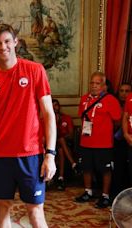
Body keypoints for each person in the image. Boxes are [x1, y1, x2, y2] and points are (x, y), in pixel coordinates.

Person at [0, 24, 57, 227]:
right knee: (2, 207)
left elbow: (48, 114)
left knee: (35, 211)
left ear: (15, 42)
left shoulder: (35, 70)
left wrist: (50, 155)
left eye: (7, 41)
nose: (3, 47)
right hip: (1, 155)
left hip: (31, 154)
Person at [75, 72, 121, 208]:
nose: (94, 86)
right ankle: (88, 192)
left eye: (97, 83)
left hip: (104, 143)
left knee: (105, 170)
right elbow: (81, 116)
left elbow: (118, 120)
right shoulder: (84, 99)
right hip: (86, 141)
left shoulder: (110, 100)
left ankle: (105, 196)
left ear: (104, 86)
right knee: (86, 168)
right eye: (92, 83)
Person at [52, 99, 78, 190]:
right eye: (52, 105)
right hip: (52, 144)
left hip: (66, 143)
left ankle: (61, 178)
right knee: (60, 145)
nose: (54, 107)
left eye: (56, 105)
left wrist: (61, 137)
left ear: (59, 106)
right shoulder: (48, 118)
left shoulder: (66, 118)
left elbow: (71, 135)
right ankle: (73, 164)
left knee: (61, 148)